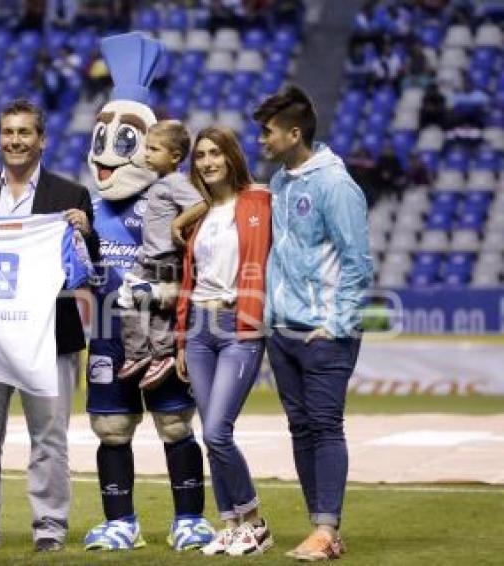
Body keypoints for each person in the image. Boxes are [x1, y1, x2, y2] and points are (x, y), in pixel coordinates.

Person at [83, 32, 213, 554]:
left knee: (176, 423)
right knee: (111, 427)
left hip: (163, 331)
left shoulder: (168, 196)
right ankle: (121, 522)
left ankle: (189, 519)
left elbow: (200, 266)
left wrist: (164, 291)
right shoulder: (87, 207)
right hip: (109, 334)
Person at [0, 98, 99, 553]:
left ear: (42, 140)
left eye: (24, 133)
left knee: (50, 440)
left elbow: (88, 271)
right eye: (8, 133)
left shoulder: (69, 197)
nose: (14, 141)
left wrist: (85, 233)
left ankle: (50, 526)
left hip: (48, 337)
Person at [252, 85, 372, 561]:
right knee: (301, 429)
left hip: (324, 332)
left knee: (325, 426)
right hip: (283, 332)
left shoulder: (335, 185)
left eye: (267, 132)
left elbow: (357, 260)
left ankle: (326, 528)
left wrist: (337, 323)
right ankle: (321, 529)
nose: (260, 140)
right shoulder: (282, 182)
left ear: (294, 133)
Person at [172, 126, 273, 556]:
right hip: (198, 329)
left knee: (217, 431)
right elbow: (188, 280)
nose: (208, 162)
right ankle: (229, 524)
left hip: (239, 327)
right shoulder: (202, 214)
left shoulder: (260, 201)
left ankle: (255, 522)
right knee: (209, 434)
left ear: (231, 157)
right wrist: (180, 340)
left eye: (216, 153)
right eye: (200, 155)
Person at [116, 120, 204, 390]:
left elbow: (201, 204)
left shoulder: (176, 182)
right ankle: (144, 354)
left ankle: (157, 354)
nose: (147, 154)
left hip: (164, 259)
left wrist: (178, 224)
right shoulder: (161, 183)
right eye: (147, 148)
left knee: (149, 303)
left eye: (154, 149)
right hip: (150, 258)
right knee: (134, 299)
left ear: (175, 156)